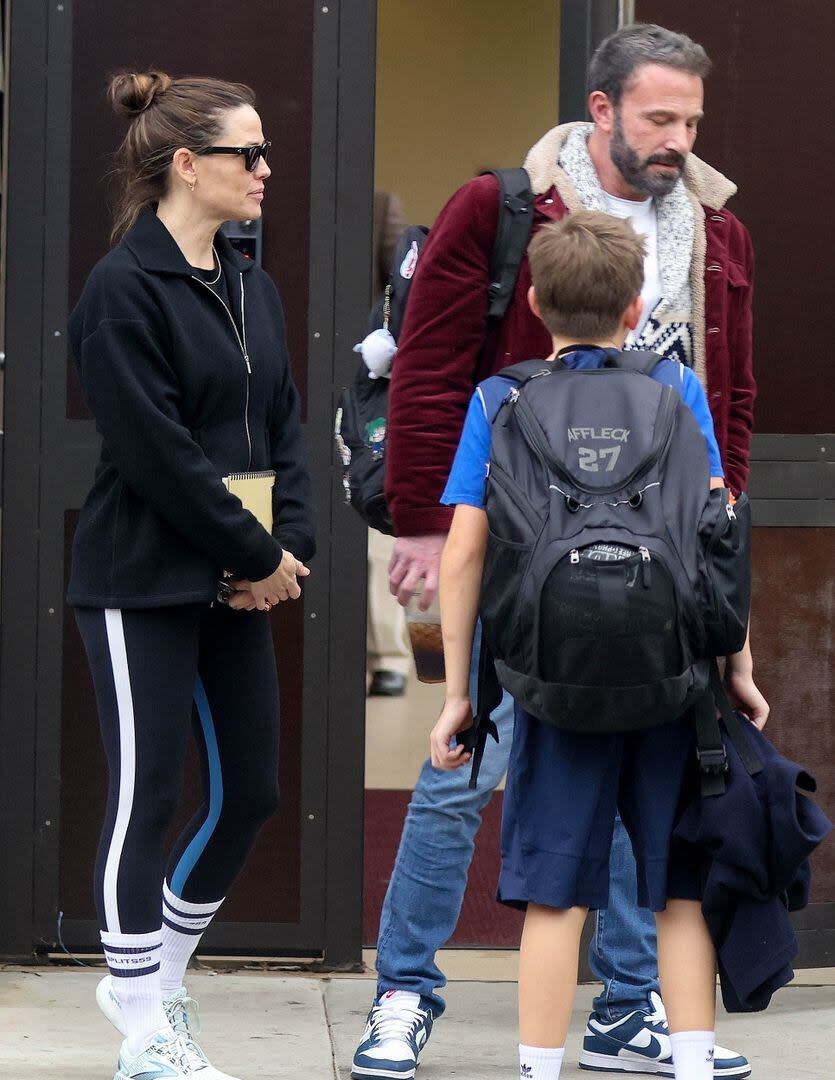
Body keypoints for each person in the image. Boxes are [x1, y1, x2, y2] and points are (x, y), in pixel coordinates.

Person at [352, 23, 767, 1080]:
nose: (676, 139)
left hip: (661, 566)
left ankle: (631, 1011)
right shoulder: (502, 207)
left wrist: (718, 555)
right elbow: (434, 366)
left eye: (690, 121)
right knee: (462, 775)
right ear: (601, 108)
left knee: (642, 798)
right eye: (657, 118)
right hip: (527, 556)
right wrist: (419, 518)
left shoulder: (715, 230)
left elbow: (737, 399)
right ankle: (405, 990)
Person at [430, 210, 762, 1080]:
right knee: (677, 890)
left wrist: (463, 690)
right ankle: (691, 1061)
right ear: (636, 305)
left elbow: (464, 550)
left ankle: (540, 1069)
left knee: (552, 895)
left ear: (535, 302)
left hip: (551, 680)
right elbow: (712, 535)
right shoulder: (673, 386)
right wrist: (739, 666)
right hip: (672, 680)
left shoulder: (500, 399)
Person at [67, 71, 315, 1080]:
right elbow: (158, 453)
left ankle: (154, 983)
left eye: (263, 153)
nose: (264, 170)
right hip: (140, 580)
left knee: (250, 792)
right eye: (246, 154)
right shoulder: (122, 290)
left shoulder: (249, 282)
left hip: (234, 576)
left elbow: (282, 428)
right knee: (147, 793)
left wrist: (284, 550)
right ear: (187, 163)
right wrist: (253, 554)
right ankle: (140, 1024)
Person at [367, 192, 412, 697]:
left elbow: (402, 283)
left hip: (371, 379)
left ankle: (389, 658)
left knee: (377, 528)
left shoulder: (381, 205)